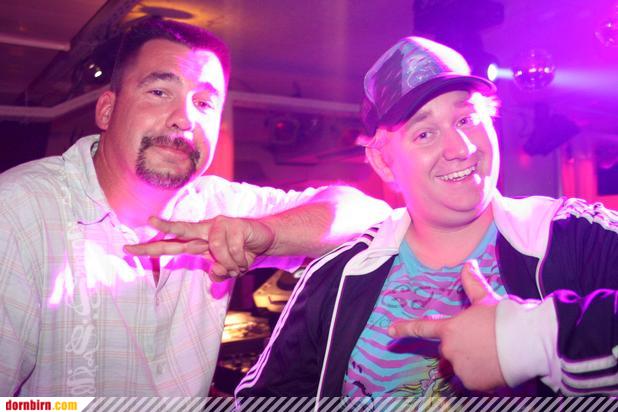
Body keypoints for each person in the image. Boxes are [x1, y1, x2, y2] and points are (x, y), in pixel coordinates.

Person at [0, 17, 390, 396]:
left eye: (203, 103)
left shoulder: (217, 205)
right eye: (159, 92)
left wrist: (269, 235)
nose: (184, 119)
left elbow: (367, 214)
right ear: (106, 109)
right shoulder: (21, 211)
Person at [235, 36, 618, 398]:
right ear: (383, 162)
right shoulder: (336, 276)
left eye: (466, 120)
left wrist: (532, 341)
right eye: (424, 134)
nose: (460, 148)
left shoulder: (573, 235)